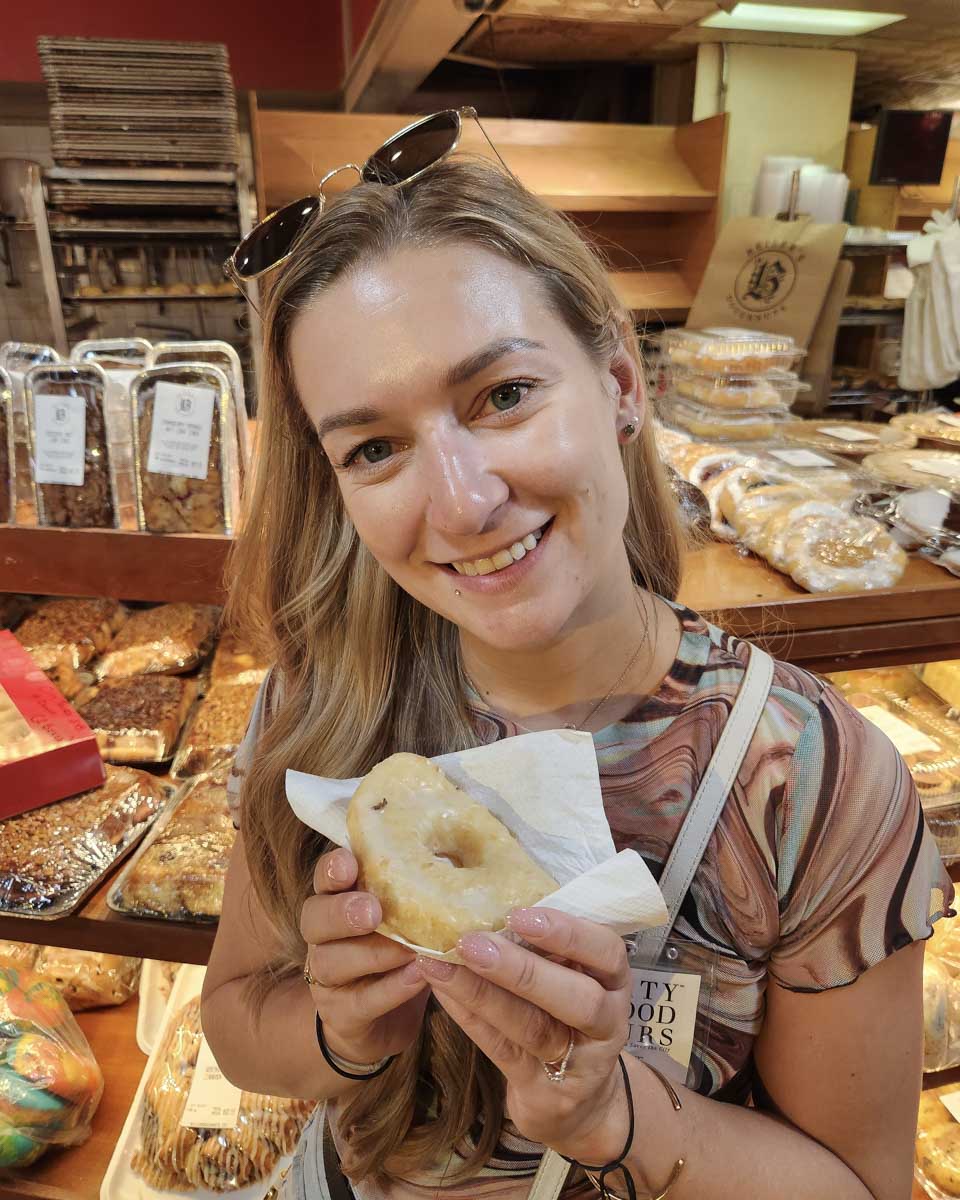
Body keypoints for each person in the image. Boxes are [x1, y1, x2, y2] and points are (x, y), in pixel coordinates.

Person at [201, 115, 951, 1200]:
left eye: (503, 395)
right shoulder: (321, 710)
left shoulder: (809, 779)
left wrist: (616, 1115)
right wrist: (339, 1027)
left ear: (621, 385)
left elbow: (863, 1187)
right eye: (375, 448)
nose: (460, 505)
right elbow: (236, 1022)